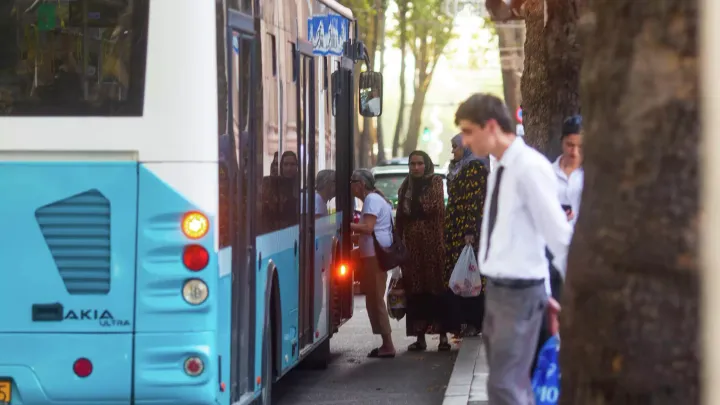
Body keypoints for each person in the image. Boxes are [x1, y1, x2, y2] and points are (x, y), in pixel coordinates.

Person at [455, 93, 573, 405]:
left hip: (519, 292)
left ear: (490, 126)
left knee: (506, 386)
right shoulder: (500, 169)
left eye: (468, 131)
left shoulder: (529, 168)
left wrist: (564, 294)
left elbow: (557, 236)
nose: (465, 141)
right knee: (506, 384)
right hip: (501, 291)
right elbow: (527, 239)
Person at [396, 151, 448, 351]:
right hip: (412, 248)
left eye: (419, 164)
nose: (416, 167)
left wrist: (416, 200)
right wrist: (398, 243)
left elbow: (434, 207)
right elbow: (401, 216)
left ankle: (443, 336)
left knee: (436, 290)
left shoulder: (435, 182)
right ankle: (420, 338)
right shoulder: (405, 186)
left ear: (426, 165)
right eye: (412, 164)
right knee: (416, 292)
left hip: (433, 246)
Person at [444, 134, 490, 338]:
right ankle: (465, 321)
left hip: (469, 231)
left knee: (472, 276)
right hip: (457, 228)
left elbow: (474, 201)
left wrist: (469, 231)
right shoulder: (458, 167)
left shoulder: (475, 168)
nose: (453, 151)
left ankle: (474, 321)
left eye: (455, 147)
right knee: (462, 276)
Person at [349, 169, 396, 358]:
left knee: (376, 300)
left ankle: (388, 344)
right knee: (372, 299)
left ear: (360, 184)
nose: (350, 186)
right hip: (372, 255)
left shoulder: (371, 200)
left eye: (352, 182)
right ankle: (386, 343)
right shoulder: (373, 199)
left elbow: (368, 228)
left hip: (375, 256)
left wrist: (345, 224)